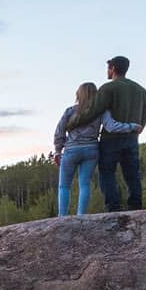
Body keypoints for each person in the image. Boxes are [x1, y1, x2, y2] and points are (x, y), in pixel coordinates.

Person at [72, 56, 146, 211]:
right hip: (132, 138)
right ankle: (135, 206)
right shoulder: (140, 90)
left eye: (108, 68)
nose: (107, 71)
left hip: (110, 139)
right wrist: (138, 129)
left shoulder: (108, 88)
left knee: (107, 173)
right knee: (133, 174)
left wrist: (72, 123)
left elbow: (93, 111)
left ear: (113, 68)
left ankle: (114, 208)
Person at [54, 83, 105, 215]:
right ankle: (81, 216)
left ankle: (62, 217)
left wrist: (58, 150)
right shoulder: (99, 112)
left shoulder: (70, 111)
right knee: (85, 184)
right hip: (91, 149)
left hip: (71, 150)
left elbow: (59, 131)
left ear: (79, 94)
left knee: (64, 186)